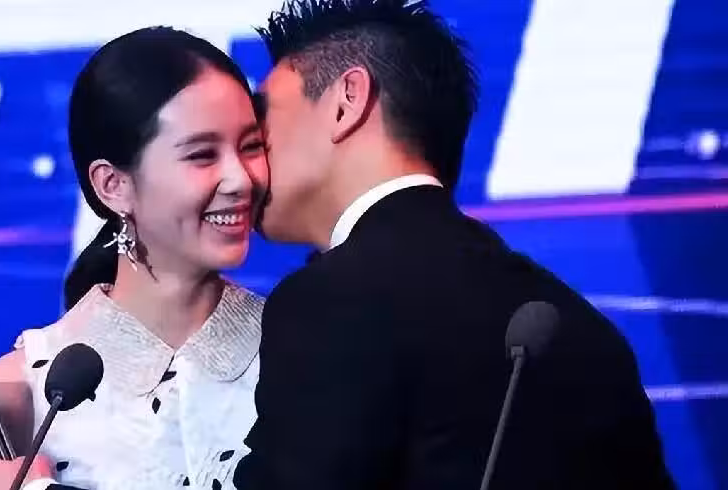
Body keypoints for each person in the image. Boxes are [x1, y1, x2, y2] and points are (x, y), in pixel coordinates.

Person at [233, 0, 676, 489]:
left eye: (260, 120)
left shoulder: (327, 301)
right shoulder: (588, 332)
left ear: (346, 101)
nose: (245, 158)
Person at [0, 26, 268, 490]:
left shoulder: (308, 350)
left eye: (251, 146)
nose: (241, 179)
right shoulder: (16, 397)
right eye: (202, 155)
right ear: (113, 185)